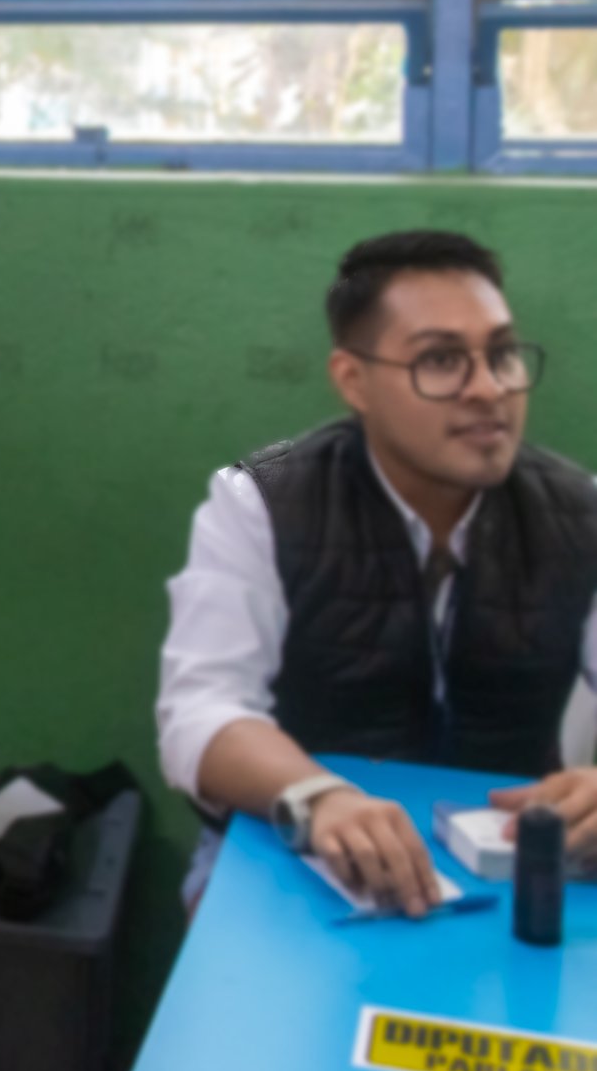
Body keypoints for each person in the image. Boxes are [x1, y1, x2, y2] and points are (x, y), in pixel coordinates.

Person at [157, 230, 597, 916]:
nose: (489, 389)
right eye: (442, 360)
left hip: (514, 861)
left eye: (503, 354)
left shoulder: (580, 509)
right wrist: (317, 796)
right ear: (353, 379)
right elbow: (200, 708)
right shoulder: (259, 493)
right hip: (297, 850)